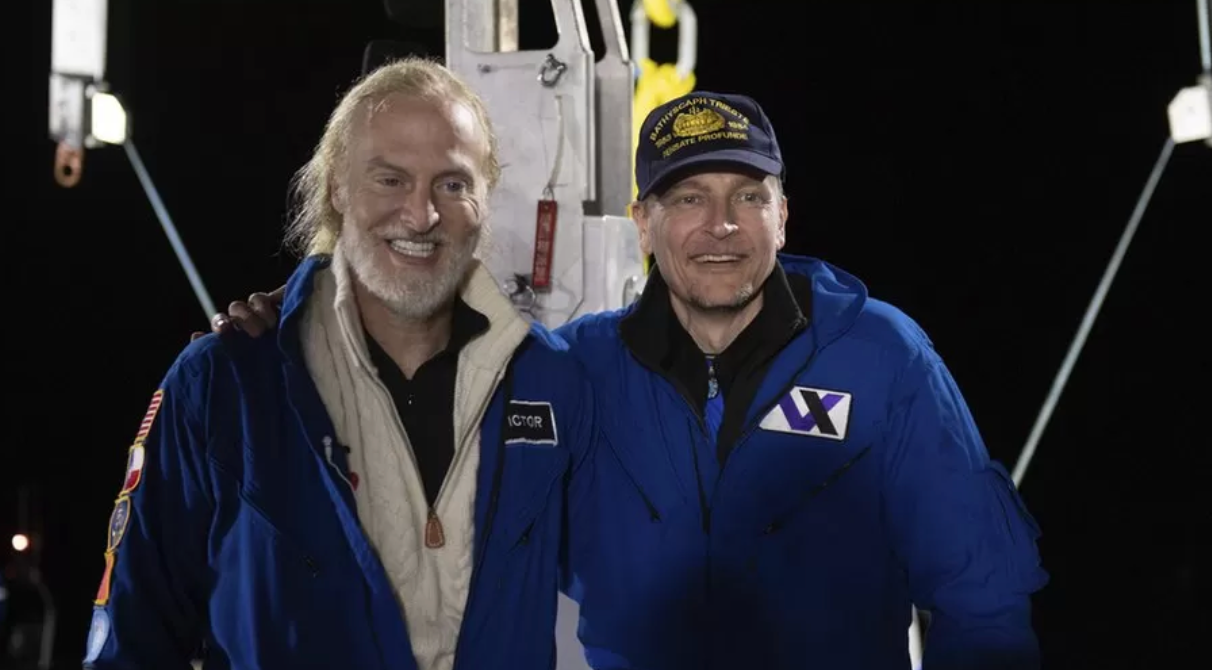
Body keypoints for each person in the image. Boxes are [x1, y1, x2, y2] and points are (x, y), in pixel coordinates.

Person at [214, 90, 1048, 669]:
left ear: (783, 213)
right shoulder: (570, 372)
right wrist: (297, 324)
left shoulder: (881, 356)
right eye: (687, 198)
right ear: (643, 222)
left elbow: (983, 593)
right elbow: (418, 426)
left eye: (747, 196)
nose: (720, 226)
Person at [84, 57, 598, 670]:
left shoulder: (553, 381)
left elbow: (648, 569)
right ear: (335, 186)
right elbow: (132, 642)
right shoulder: (224, 384)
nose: (422, 214)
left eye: (453, 183)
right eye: (390, 180)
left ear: (486, 196)